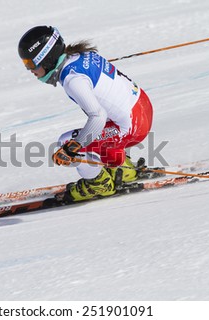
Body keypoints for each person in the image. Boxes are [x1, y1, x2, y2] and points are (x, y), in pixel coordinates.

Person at [18, 26, 153, 202]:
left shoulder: (72, 79)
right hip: (143, 108)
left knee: (66, 141)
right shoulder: (80, 56)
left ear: (46, 58)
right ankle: (121, 169)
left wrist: (73, 148)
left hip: (133, 127)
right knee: (101, 131)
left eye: (30, 63)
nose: (30, 70)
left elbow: (98, 117)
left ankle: (99, 184)